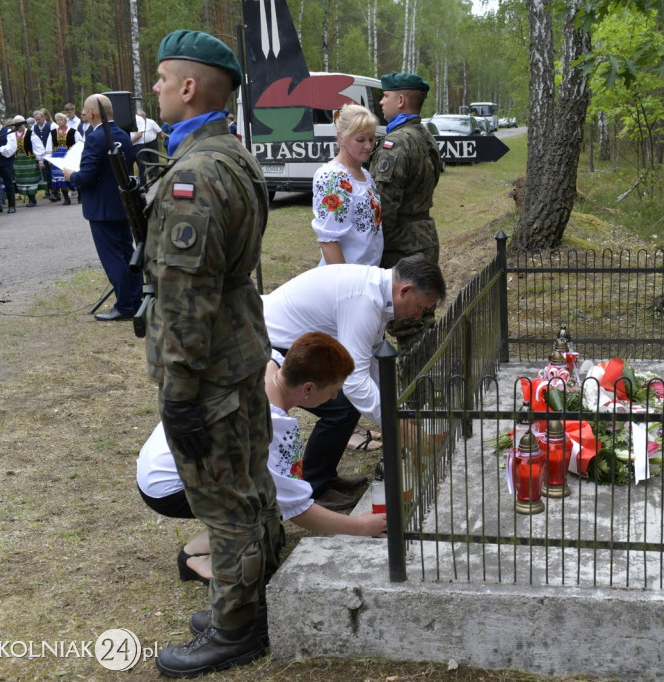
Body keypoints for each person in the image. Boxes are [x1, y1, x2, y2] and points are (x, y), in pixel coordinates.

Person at [143, 29, 279, 677]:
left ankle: (235, 628)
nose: (157, 89)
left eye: (164, 79)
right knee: (251, 487)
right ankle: (253, 597)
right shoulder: (233, 155)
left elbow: (183, 298)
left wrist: (178, 392)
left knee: (223, 501)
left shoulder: (193, 176)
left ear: (190, 86)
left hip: (211, 368)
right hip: (241, 350)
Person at [137, 332, 387, 583]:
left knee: (266, 501)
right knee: (261, 504)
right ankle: (195, 556)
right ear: (308, 388)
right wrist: (360, 527)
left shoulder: (268, 361)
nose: (334, 399)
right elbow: (295, 507)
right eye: (333, 392)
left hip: (161, 460)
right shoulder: (268, 424)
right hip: (169, 488)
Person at [262, 255, 446, 510]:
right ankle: (314, 487)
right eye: (421, 307)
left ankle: (324, 475)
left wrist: (396, 412)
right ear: (405, 290)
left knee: (345, 405)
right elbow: (357, 382)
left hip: (297, 341)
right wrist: (397, 425)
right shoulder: (365, 299)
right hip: (274, 341)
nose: (418, 316)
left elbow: (369, 360)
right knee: (342, 408)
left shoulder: (377, 293)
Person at [370, 72, 443, 351]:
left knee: (408, 322)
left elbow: (383, 207)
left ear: (400, 100)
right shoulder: (425, 136)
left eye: (385, 97)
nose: (381, 104)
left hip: (401, 244)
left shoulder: (396, 143)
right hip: (424, 236)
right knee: (423, 316)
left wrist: (372, 244)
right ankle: (429, 382)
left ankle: (416, 390)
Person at [64, 94, 141, 322]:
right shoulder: (124, 136)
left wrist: (71, 175)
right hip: (122, 204)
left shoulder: (95, 138)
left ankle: (125, 305)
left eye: (84, 111)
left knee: (113, 258)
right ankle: (136, 300)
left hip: (100, 207)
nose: (82, 114)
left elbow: (86, 176)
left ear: (93, 113)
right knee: (128, 254)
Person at [312, 103, 382, 266]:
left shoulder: (364, 174)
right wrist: (345, 284)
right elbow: (328, 241)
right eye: (360, 139)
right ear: (341, 136)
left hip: (367, 275)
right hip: (348, 281)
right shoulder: (333, 177)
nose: (368, 146)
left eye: (372, 139)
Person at [0, 111, 17, 213]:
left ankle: (12, 205)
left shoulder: (7, 131)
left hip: (5, 161)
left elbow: (12, 147)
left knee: (8, 183)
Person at [30, 109, 59, 202]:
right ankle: (50, 191)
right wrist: (40, 159)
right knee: (46, 175)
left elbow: (55, 141)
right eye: (36, 120)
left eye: (39, 119)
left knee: (54, 174)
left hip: (51, 153)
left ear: (44, 117)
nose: (38, 121)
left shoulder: (52, 126)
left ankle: (56, 192)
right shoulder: (33, 128)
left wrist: (52, 155)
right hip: (41, 155)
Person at [12, 116, 40, 206]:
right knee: (21, 179)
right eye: (16, 124)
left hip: (29, 159)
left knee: (30, 179)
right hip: (18, 161)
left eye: (20, 123)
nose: (19, 126)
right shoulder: (13, 134)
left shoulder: (30, 133)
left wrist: (40, 159)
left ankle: (32, 199)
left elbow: (37, 146)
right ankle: (29, 198)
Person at [51, 112, 76, 205]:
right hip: (57, 156)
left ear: (65, 121)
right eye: (57, 120)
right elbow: (49, 145)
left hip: (69, 155)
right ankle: (66, 198)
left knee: (71, 175)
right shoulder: (53, 132)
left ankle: (80, 195)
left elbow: (78, 142)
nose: (59, 121)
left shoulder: (72, 131)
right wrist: (49, 158)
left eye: (61, 119)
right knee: (60, 177)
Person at [131, 108, 163, 181]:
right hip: (142, 144)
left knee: (154, 158)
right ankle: (151, 175)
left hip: (152, 143)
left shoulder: (151, 122)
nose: (139, 118)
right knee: (146, 160)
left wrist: (159, 137)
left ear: (144, 116)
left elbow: (159, 131)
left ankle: (156, 174)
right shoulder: (136, 123)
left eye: (140, 116)